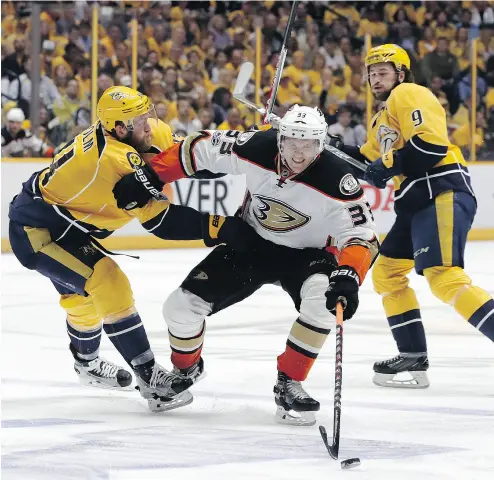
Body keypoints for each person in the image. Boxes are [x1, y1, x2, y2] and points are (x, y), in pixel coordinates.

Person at [113, 105, 379, 425]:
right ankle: (186, 369)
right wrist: (152, 173)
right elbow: (199, 147)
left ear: (320, 144)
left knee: (323, 304)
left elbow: (362, 235)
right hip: (251, 244)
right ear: (279, 139)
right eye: (292, 142)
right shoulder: (256, 146)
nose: (298, 153)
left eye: (307, 144)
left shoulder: (338, 180)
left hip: (308, 255)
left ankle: (289, 382)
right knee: (179, 308)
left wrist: (349, 275)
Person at [8, 86, 261, 412]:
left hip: (65, 222)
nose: (149, 125)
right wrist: (223, 227)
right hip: (38, 231)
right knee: (107, 281)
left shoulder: (136, 134)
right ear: (118, 129)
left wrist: (246, 150)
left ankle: (86, 363)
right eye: (139, 121)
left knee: (82, 299)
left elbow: (191, 161)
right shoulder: (113, 160)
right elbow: (163, 222)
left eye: (147, 116)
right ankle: (150, 378)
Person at [332, 44, 494, 388]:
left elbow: (429, 146)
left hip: (440, 189)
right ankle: (412, 357)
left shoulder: (408, 93)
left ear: (401, 74)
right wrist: (321, 144)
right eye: (372, 74)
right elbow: (366, 162)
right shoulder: (381, 119)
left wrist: (387, 165)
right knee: (388, 274)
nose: (375, 78)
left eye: (383, 72)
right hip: (417, 200)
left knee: (444, 276)